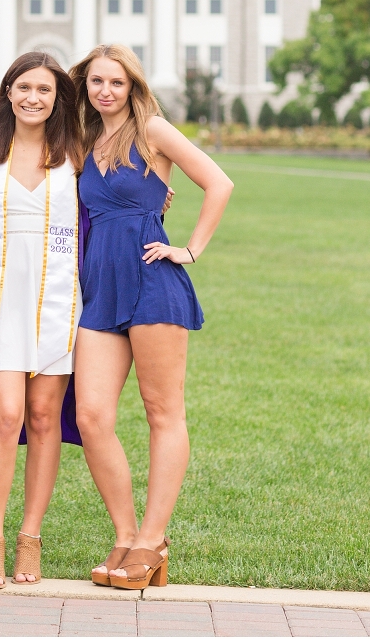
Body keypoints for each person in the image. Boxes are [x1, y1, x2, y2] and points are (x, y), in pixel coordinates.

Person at [71, 44, 233, 591]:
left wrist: (188, 250)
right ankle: (124, 534)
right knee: (91, 416)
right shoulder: (83, 140)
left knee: (163, 412)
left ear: (133, 86)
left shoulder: (154, 131)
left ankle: (153, 540)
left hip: (150, 280)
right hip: (99, 288)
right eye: (96, 81)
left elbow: (220, 183)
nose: (105, 91)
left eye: (116, 82)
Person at [0, 52, 85, 587]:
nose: (33, 98)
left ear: (57, 100)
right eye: (24, 87)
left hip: (59, 301)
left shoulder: (77, 154)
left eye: (44, 90)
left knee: (45, 417)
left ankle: (31, 537)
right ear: (8, 92)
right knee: (6, 417)